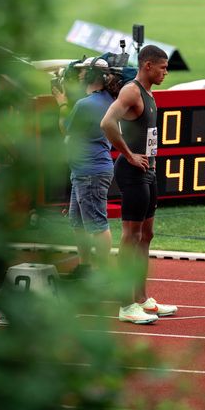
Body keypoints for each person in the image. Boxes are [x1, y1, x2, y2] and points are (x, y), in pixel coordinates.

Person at [100, 45, 177, 324]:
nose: (166, 72)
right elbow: (107, 122)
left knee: (147, 236)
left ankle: (142, 299)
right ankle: (125, 304)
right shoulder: (132, 91)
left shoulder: (150, 93)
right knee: (130, 237)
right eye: (163, 67)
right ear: (147, 66)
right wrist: (128, 154)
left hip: (148, 170)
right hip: (132, 171)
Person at [52, 57, 115, 278]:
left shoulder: (85, 105)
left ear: (90, 75)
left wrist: (61, 102)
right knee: (78, 222)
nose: (78, 75)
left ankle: (105, 274)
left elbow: (65, 129)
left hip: (90, 172)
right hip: (86, 171)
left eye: (81, 72)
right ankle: (86, 267)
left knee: (97, 223)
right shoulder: (107, 99)